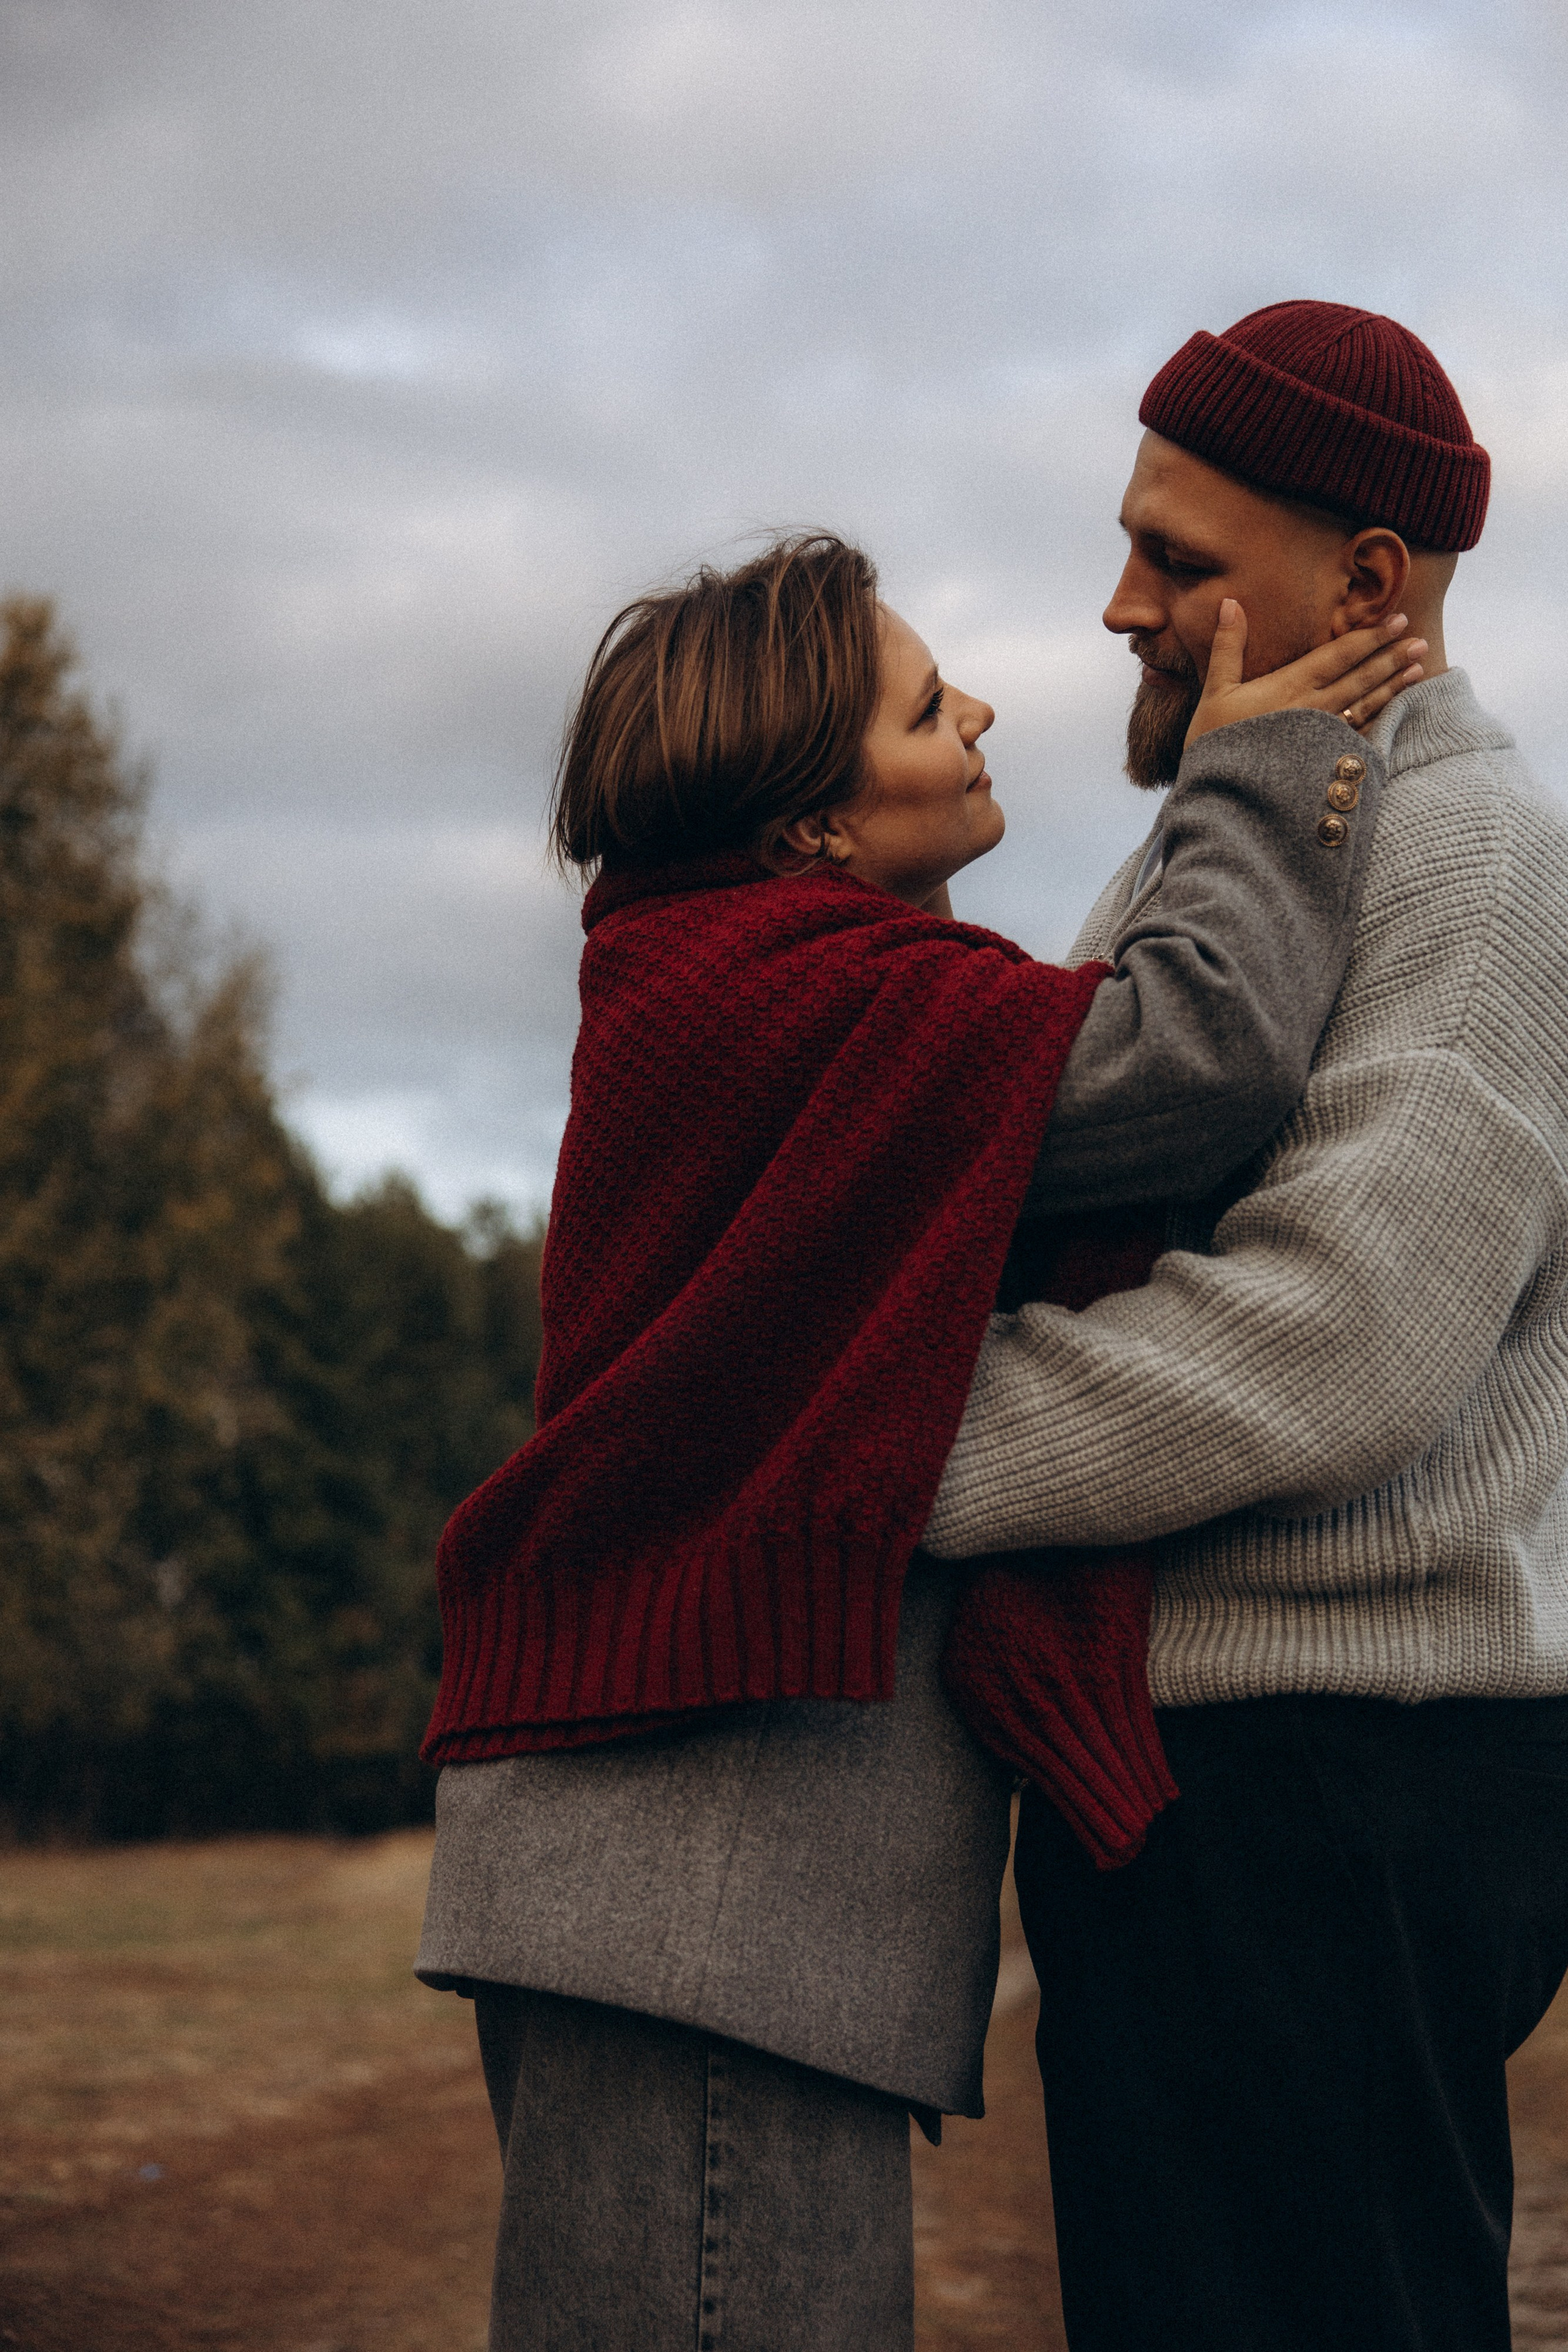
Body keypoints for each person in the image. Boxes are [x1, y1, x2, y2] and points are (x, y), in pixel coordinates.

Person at [415, 529, 1419, 2352]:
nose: (980, 713)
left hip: (690, 1903)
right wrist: (1257, 767)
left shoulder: (773, 992)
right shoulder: (787, 1004)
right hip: (699, 1916)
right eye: (922, 704)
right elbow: (1194, 1055)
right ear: (812, 818)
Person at [926, 300, 1568, 2352]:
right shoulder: (1262, 827)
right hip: (1201, 1770)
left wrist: (882, 1448)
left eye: (1177, 560)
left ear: (1368, 583)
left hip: (1342, 1775)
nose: (1121, 604)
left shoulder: (1469, 859)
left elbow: (1341, 1340)